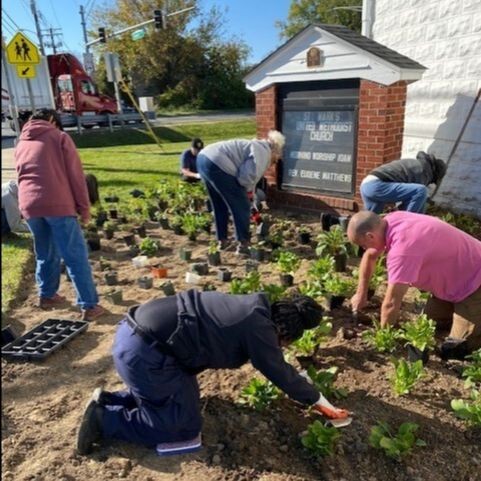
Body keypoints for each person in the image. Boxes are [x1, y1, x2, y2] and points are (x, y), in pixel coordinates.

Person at [76, 291, 350, 455]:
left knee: (183, 402)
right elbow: (278, 370)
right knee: (183, 427)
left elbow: (278, 363)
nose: (281, 347)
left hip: (136, 336)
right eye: (284, 342)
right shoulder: (259, 331)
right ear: (284, 331)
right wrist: (320, 402)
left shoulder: (252, 308)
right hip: (145, 355)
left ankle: (113, 399)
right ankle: (105, 420)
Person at [348, 211, 481, 358]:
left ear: (370, 236)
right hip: (454, 282)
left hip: (475, 281)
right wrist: (361, 293)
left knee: (456, 349)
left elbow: (391, 303)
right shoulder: (390, 221)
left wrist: (384, 338)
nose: (364, 249)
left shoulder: (403, 251)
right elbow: (370, 256)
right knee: (428, 325)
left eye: (363, 245)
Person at [15, 108, 104, 321]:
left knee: (45, 252)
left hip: (30, 205)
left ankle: (46, 295)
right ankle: (90, 306)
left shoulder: (21, 143)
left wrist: (23, 207)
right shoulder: (60, 137)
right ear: (53, 120)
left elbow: (20, 176)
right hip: (57, 204)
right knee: (75, 256)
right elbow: (76, 177)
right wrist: (84, 208)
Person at [197, 130, 285, 256]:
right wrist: (247, 196)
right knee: (241, 206)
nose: (274, 162)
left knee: (219, 204)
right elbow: (245, 178)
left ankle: (222, 240)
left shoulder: (256, 146)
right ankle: (243, 244)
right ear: (275, 149)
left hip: (203, 158)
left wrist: (250, 194)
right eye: (276, 159)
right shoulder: (264, 153)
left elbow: (250, 179)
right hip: (218, 163)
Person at [360, 151, 447, 214]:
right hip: (377, 186)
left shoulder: (415, 163)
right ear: (434, 173)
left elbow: (402, 192)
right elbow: (416, 197)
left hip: (366, 185)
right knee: (421, 190)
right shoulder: (424, 171)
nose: (430, 182)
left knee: (371, 222)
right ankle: (406, 223)